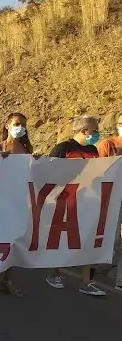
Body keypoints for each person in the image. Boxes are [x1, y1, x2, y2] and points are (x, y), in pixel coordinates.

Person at [45, 115, 106, 296]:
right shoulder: (63, 148)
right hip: (64, 201)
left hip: (87, 201)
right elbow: (49, 172)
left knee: (87, 238)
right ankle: (54, 274)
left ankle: (86, 281)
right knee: (61, 238)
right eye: (94, 130)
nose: (97, 134)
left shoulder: (94, 150)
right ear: (82, 131)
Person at [0, 112, 36, 298]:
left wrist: (37, 162)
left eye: (23, 125)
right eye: (16, 124)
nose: (20, 128)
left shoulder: (27, 150)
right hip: (0, 201)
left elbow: (32, 175)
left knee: (14, 241)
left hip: (19, 201)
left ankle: (7, 278)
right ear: (7, 126)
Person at [96, 112, 122, 291]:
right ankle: (100, 266)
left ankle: (120, 279)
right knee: (112, 238)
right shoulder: (108, 144)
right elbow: (99, 169)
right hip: (113, 195)